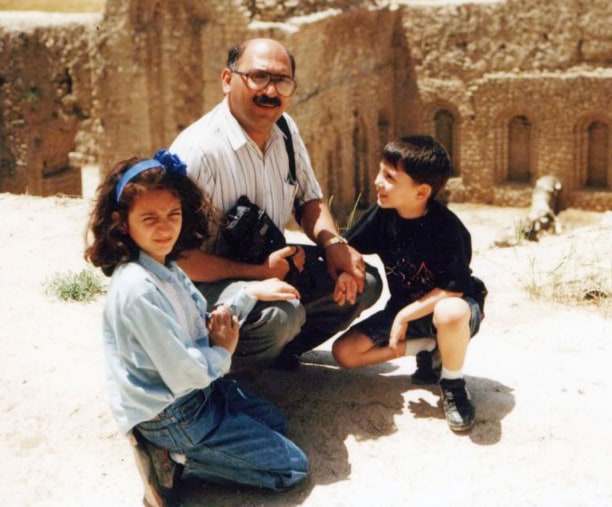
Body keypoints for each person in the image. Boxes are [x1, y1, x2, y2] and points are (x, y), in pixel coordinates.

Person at [85, 151, 308, 507]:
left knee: (277, 424)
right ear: (122, 222)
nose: (165, 228)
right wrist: (222, 351)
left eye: (173, 215)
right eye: (149, 218)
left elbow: (200, 320)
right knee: (292, 468)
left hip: (198, 392)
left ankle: (199, 441)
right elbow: (183, 370)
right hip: (172, 411)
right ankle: (173, 459)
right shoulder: (137, 289)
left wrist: (247, 294)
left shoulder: (165, 265)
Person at [170, 37, 381, 371]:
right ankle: (222, 374)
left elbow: (308, 200)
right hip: (200, 288)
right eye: (258, 77)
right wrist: (258, 274)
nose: (270, 92)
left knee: (362, 281)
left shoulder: (284, 127)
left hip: (268, 267)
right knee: (281, 314)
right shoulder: (198, 153)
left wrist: (333, 241)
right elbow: (178, 260)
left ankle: (273, 354)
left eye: (282, 81)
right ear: (228, 80)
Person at [331, 136, 486, 432]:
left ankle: (453, 383)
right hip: (406, 312)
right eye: (380, 172)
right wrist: (345, 271)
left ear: (421, 191)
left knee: (450, 311)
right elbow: (350, 246)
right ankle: (427, 347)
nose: (377, 182)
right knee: (345, 353)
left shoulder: (447, 229)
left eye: (389, 177)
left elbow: (453, 289)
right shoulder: (384, 215)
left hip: (454, 312)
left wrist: (404, 316)